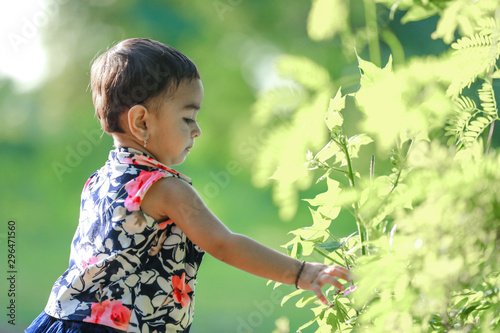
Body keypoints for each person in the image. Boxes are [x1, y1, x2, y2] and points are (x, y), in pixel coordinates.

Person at [26, 38, 352, 333]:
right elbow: (224, 244)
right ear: (141, 122)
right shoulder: (164, 188)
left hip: (60, 319)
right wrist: (302, 273)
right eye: (187, 118)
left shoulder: (97, 181)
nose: (197, 131)